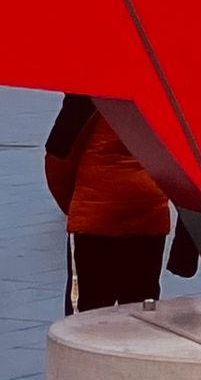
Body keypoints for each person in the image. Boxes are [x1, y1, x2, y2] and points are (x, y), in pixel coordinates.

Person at [44, 96, 173, 311]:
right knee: (140, 314)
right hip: (149, 219)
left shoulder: (88, 96)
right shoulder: (163, 96)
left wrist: (76, 205)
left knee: (86, 315)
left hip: (96, 222)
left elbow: (58, 159)